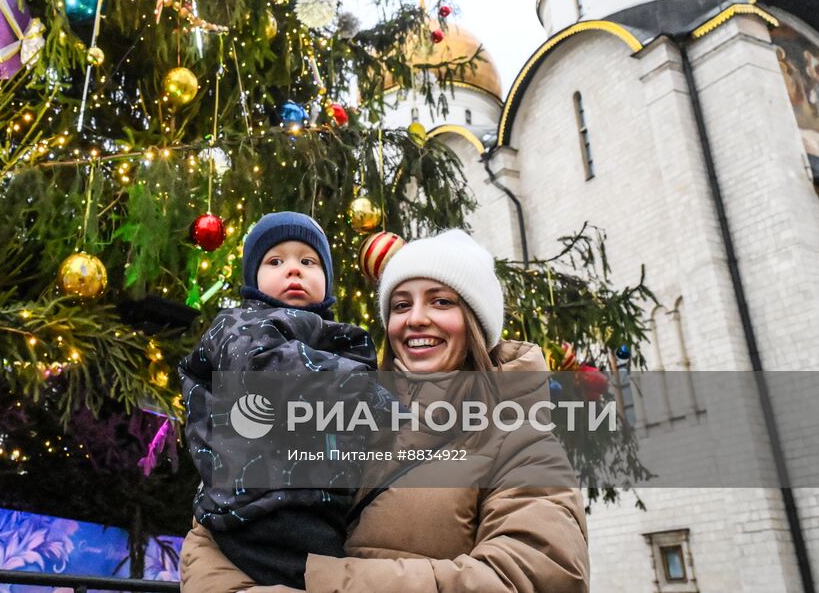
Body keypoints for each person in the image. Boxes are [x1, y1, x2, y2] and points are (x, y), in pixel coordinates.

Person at [179, 229, 590, 593]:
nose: (416, 319)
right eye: (400, 305)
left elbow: (537, 576)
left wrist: (327, 580)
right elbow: (211, 539)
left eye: (441, 301)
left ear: (475, 322)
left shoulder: (522, 441)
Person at [178, 211, 392, 590]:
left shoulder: (343, 339)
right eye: (275, 261)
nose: (293, 270)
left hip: (325, 503)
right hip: (255, 507)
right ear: (252, 280)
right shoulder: (240, 326)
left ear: (326, 280)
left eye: (308, 262)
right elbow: (266, 371)